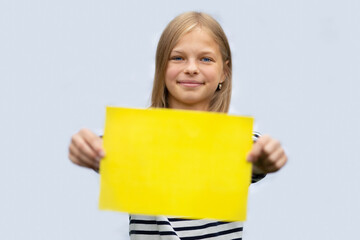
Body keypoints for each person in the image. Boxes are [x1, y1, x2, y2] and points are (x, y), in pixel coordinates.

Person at [68, 11, 287, 240]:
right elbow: (102, 150)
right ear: (162, 67)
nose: (191, 68)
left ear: (224, 71)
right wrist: (87, 146)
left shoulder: (236, 140)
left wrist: (266, 156)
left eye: (206, 59)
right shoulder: (137, 135)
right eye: (178, 58)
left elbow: (255, 156)